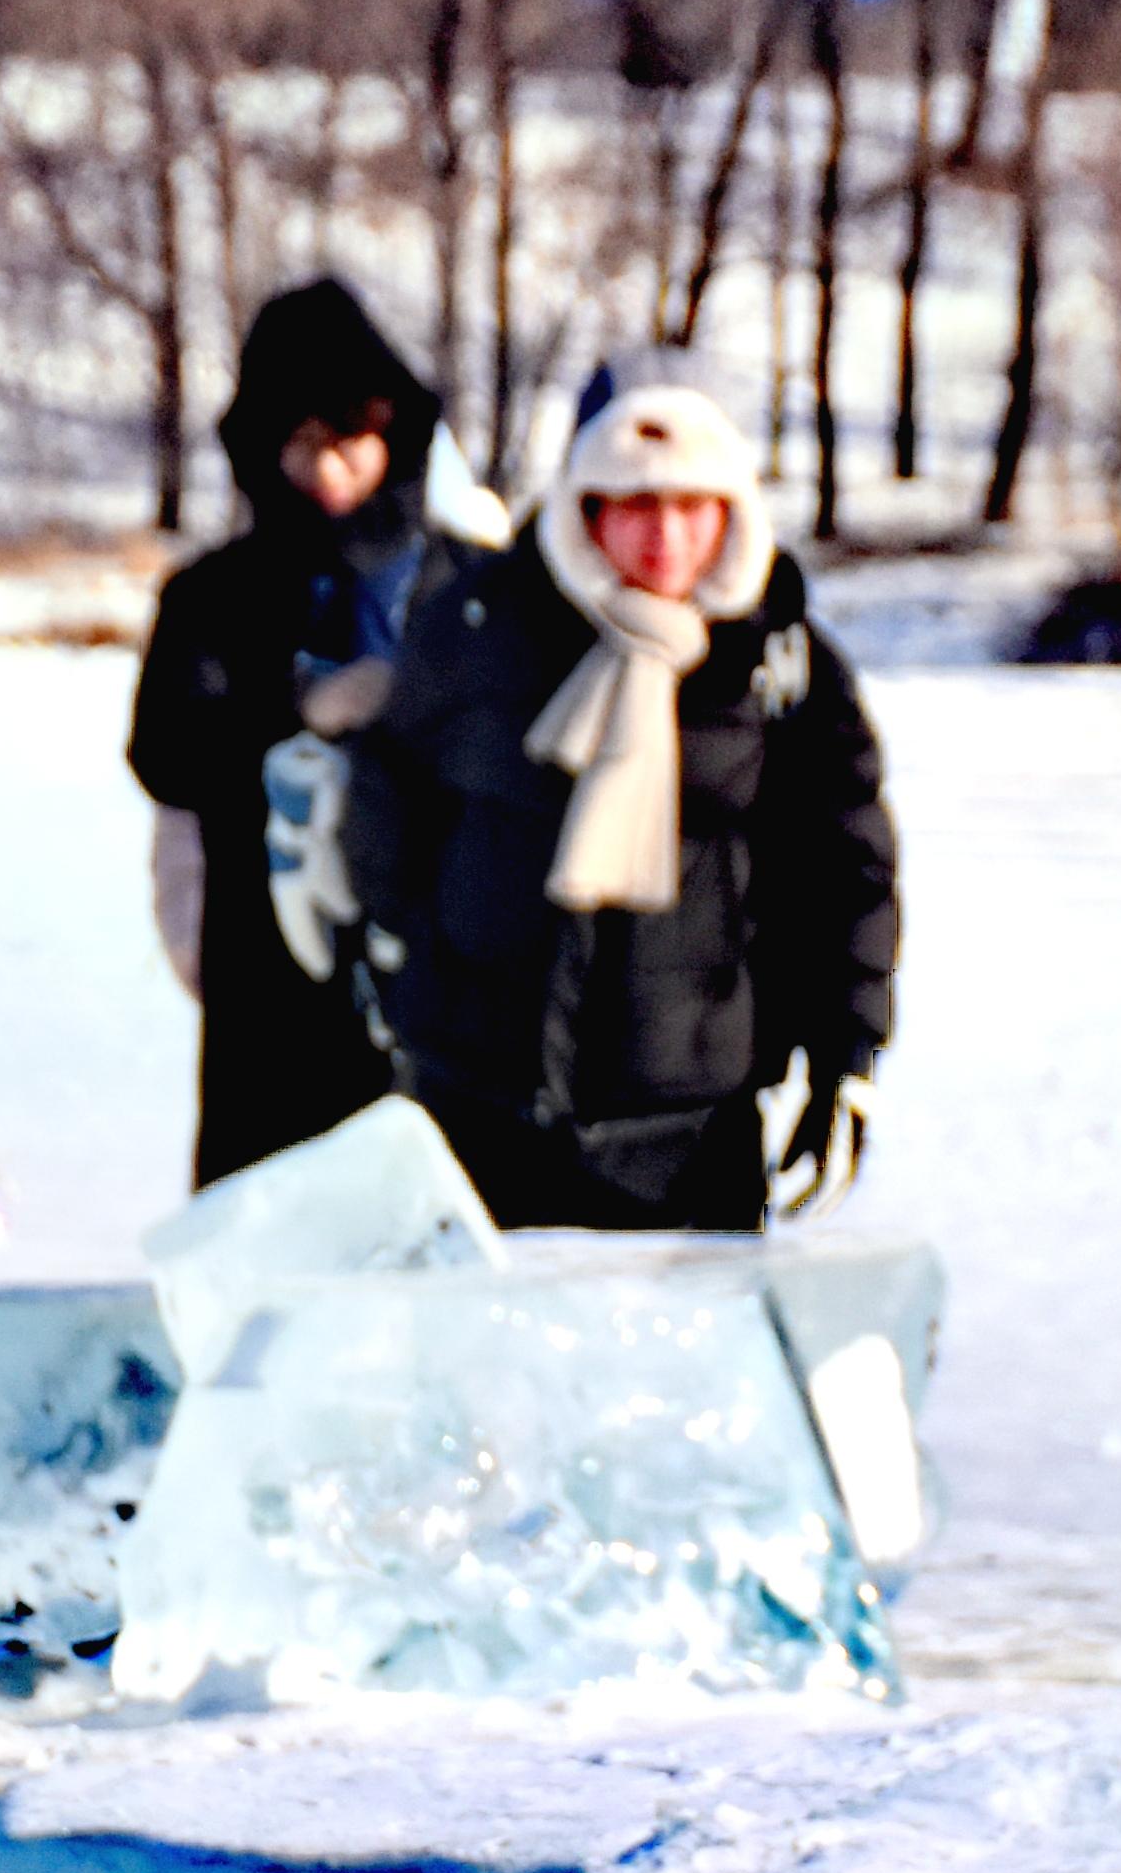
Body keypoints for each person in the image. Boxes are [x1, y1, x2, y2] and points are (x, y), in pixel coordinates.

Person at [338, 358, 897, 1231]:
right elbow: (389, 797)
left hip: (690, 1136)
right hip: (478, 1115)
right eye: (635, 503)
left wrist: (845, 1054)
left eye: (692, 504)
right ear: (585, 504)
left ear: (732, 509)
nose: (665, 536)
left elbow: (845, 872)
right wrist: (402, 964)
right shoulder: (478, 625)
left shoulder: (778, 664)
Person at [127, 278, 461, 1186]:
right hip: (266, 983)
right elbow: (166, 751)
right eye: (303, 442)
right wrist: (293, 714)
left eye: (349, 440)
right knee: (266, 1223)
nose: (328, 471)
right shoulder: (211, 596)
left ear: (393, 435)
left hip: (441, 976)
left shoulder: (461, 584)